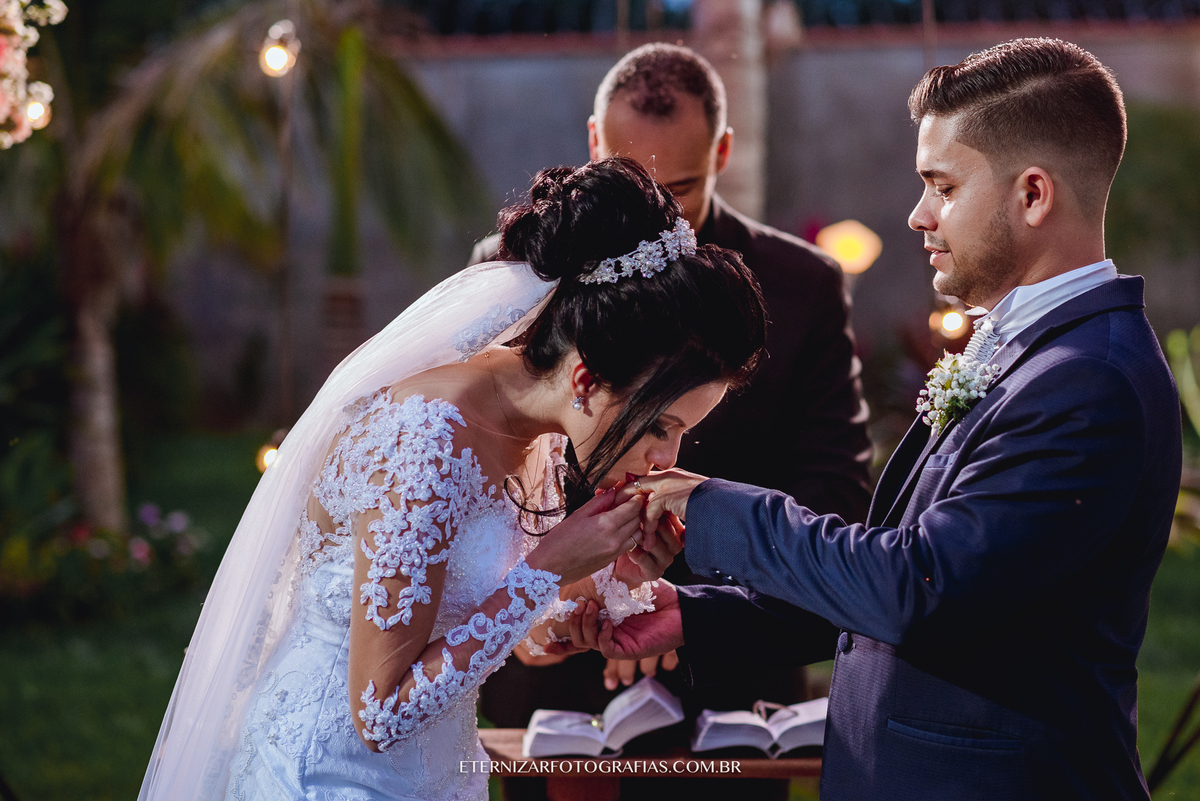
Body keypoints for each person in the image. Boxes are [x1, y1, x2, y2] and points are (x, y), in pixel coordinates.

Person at [574, 38, 1183, 800]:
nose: (918, 214)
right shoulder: (1033, 350)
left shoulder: (1086, 383)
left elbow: (919, 587)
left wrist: (701, 504)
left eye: (943, 185)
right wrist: (698, 617)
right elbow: (907, 585)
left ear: (1033, 195)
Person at [136, 157, 768, 801]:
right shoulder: (426, 443)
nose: (669, 458)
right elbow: (380, 714)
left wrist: (610, 581)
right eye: (661, 425)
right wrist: (548, 568)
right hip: (330, 776)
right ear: (585, 379)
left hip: (436, 773)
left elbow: (511, 635)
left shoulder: (539, 426)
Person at [471, 45, 869, 800]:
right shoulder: (516, 270)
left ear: (723, 151)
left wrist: (681, 602)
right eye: (632, 175)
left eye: (680, 187)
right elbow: (489, 466)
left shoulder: (802, 286)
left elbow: (835, 489)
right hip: (556, 682)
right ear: (594, 144)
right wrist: (594, 586)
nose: (657, 207)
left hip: (731, 690)